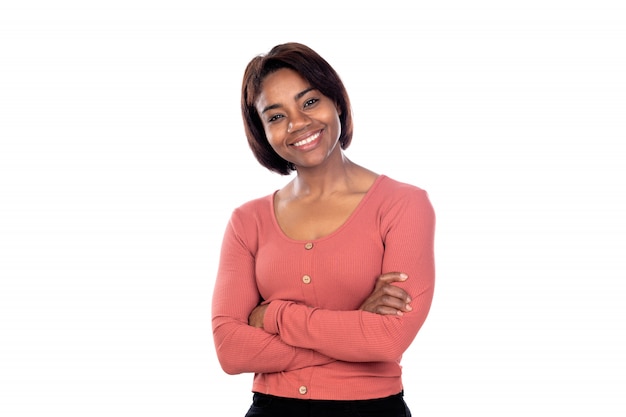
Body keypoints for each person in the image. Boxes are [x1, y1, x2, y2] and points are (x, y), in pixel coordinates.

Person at [211, 42, 435, 417]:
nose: (298, 123)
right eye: (276, 116)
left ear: (338, 103)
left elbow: (388, 339)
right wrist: (352, 326)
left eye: (310, 102)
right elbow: (231, 350)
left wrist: (273, 316)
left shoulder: (403, 205)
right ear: (262, 132)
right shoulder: (246, 221)